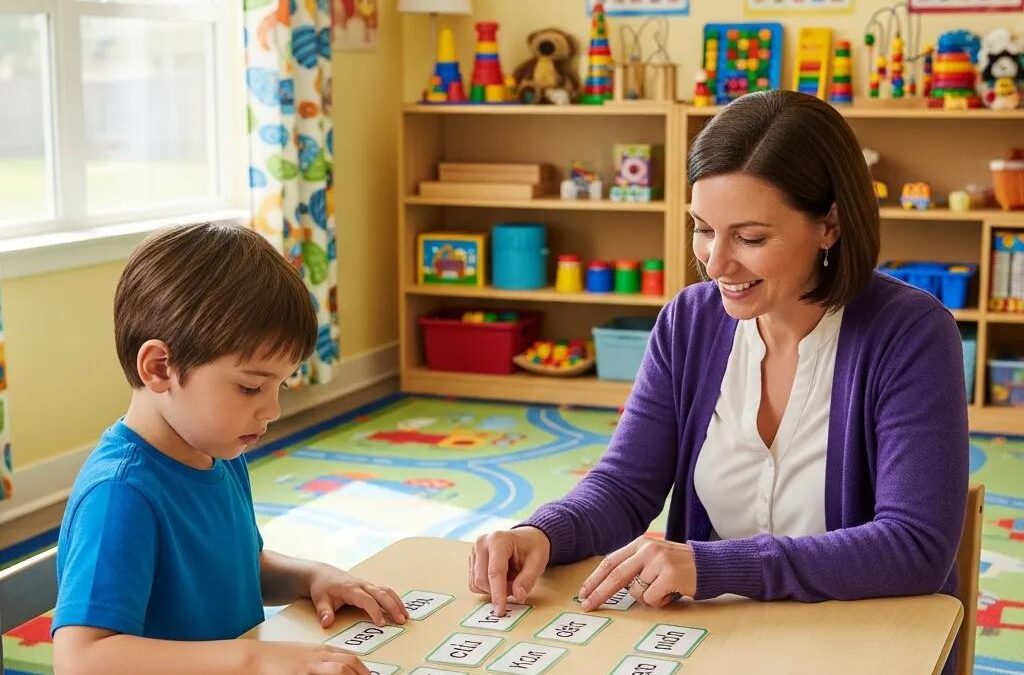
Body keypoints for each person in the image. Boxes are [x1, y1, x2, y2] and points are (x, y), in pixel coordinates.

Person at [470, 91, 968, 671]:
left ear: (829, 224)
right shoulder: (690, 320)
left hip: (866, 642)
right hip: (718, 641)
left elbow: (915, 548)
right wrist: (542, 533)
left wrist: (714, 566)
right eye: (703, 229)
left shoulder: (910, 333)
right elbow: (626, 486)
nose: (715, 262)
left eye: (750, 238)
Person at [53, 222, 407, 675]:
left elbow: (233, 571)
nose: (272, 410)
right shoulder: (121, 494)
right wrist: (256, 659)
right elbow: (81, 660)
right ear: (160, 367)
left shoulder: (216, 452)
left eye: (279, 385)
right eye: (249, 388)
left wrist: (311, 577)